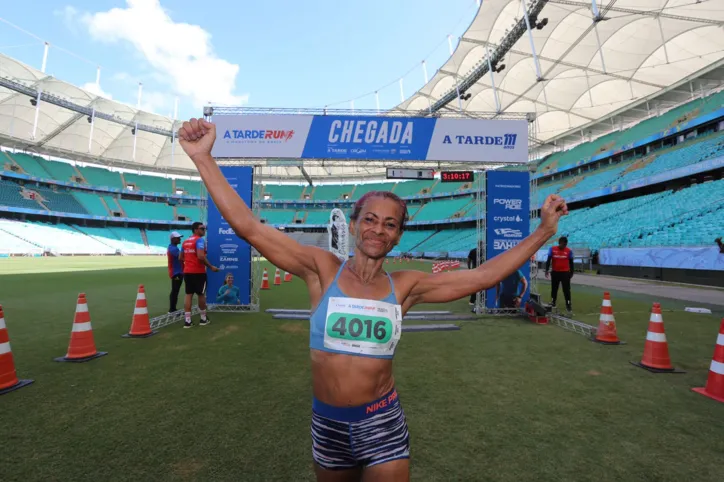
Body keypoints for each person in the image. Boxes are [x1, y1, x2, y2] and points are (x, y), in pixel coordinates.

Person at [177, 117, 568, 482]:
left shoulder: (407, 286)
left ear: (398, 236)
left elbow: (483, 276)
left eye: (390, 224)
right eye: (369, 219)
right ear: (353, 225)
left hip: (382, 424)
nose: (378, 229)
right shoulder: (320, 269)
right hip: (327, 424)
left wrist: (544, 232)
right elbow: (248, 226)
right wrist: (203, 158)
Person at [178, 221, 219, 328]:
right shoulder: (199, 240)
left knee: (188, 294)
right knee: (201, 294)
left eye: (204, 228)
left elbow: (181, 257)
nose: (204, 230)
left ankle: (187, 321)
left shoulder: (185, 241)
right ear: (196, 229)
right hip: (198, 272)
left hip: (187, 271)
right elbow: (201, 256)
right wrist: (211, 267)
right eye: (202, 228)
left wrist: (189, 261)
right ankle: (203, 319)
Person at [545, 236, 574, 314]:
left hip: (565, 273)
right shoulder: (552, 249)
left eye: (565, 244)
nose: (564, 246)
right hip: (555, 272)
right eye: (563, 244)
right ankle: (553, 302)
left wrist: (571, 272)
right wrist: (547, 270)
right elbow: (548, 260)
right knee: (554, 289)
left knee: (566, 290)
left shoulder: (569, 251)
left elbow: (571, 262)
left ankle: (568, 304)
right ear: (559, 243)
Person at [167, 231, 184, 313]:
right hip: (176, 273)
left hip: (178, 272)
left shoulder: (174, 247)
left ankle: (173, 309)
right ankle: (172, 309)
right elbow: (182, 257)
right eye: (178, 238)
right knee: (175, 290)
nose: (180, 239)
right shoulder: (172, 248)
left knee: (175, 290)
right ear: (173, 239)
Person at [467, 241, 484, 305]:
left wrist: (469, 268)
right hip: (482, 270)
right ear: (482, 244)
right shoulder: (484, 252)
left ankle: (472, 301)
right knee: (482, 285)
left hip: (474, 269)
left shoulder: (473, 250)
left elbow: (468, 260)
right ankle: (482, 300)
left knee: (474, 285)